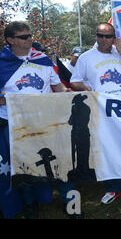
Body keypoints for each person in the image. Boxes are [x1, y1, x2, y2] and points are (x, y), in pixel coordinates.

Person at [0, 21, 73, 219]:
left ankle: (71, 202)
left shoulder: (43, 60)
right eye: (24, 37)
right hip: (16, 125)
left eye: (30, 35)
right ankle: (30, 204)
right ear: (10, 40)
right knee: (23, 166)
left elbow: (58, 88)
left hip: (46, 120)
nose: (30, 39)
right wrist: (15, 100)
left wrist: (72, 94)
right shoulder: (1, 64)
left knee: (60, 160)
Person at [70, 22, 121, 204]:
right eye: (100, 35)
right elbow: (74, 81)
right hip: (103, 112)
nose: (104, 40)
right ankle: (113, 188)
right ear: (96, 36)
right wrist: (87, 88)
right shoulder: (86, 57)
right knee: (108, 150)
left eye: (108, 36)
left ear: (114, 38)